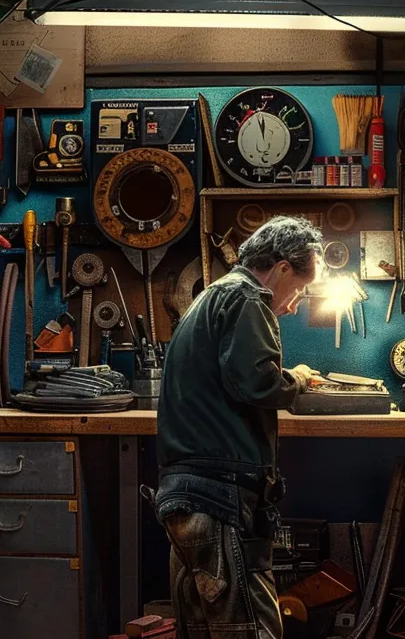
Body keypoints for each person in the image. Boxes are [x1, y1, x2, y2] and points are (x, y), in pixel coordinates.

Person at [153, 216, 323, 638]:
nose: (294, 303)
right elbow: (257, 382)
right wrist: (297, 379)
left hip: (188, 497)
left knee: (203, 629)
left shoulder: (211, 296)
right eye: (299, 288)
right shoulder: (248, 299)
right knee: (249, 628)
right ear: (282, 267)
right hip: (217, 497)